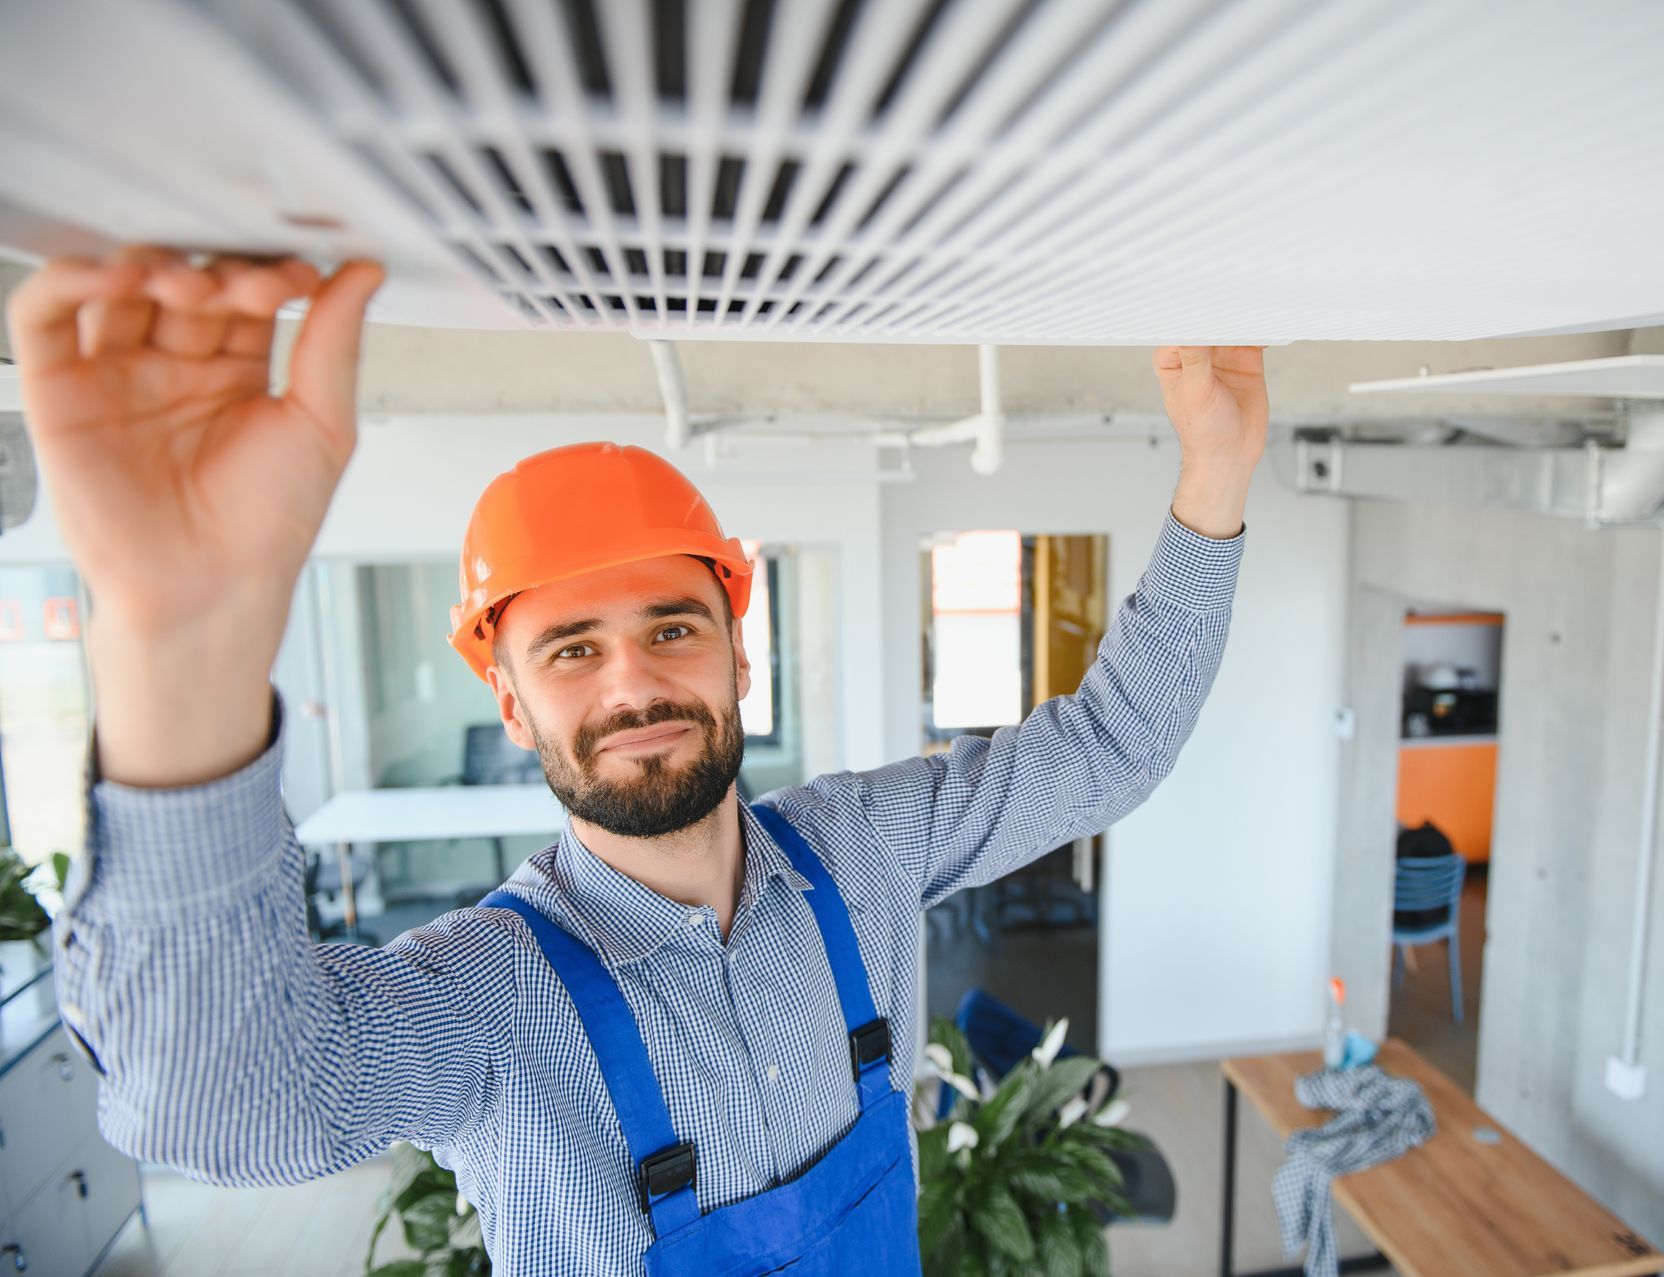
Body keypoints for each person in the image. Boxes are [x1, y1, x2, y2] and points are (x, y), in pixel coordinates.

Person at [7, 246, 1269, 1275]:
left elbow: (1108, 746)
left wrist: (1216, 472)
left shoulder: (865, 852)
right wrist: (180, 654)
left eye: (672, 628)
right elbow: (223, 1109)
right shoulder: (491, 994)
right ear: (511, 705)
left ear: (738, 657)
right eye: (570, 649)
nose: (632, 684)